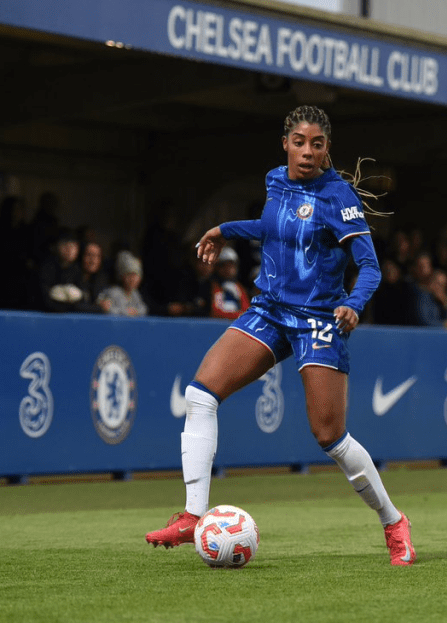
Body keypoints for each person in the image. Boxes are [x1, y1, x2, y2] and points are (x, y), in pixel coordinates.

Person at [145, 105, 415, 566]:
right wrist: (224, 229)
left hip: (318, 319)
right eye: (299, 142)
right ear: (285, 143)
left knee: (330, 436)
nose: (307, 151)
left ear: (327, 149)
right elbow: (274, 230)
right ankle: (192, 516)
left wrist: (353, 303)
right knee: (200, 395)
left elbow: (369, 265)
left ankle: (394, 522)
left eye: (317, 144)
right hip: (270, 310)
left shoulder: (339, 196)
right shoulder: (275, 181)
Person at [98, 250, 148, 316]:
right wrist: (126, 312)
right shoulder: (113, 292)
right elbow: (108, 309)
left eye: (135, 275)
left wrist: (135, 312)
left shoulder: (135, 294)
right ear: (122, 277)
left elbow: (143, 309)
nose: (132, 279)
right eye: (129, 275)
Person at [209, 246, 251, 320]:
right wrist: (236, 315)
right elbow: (215, 312)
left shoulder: (239, 287)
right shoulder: (213, 286)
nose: (227, 269)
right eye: (224, 266)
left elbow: (246, 311)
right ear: (217, 267)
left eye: (231, 266)